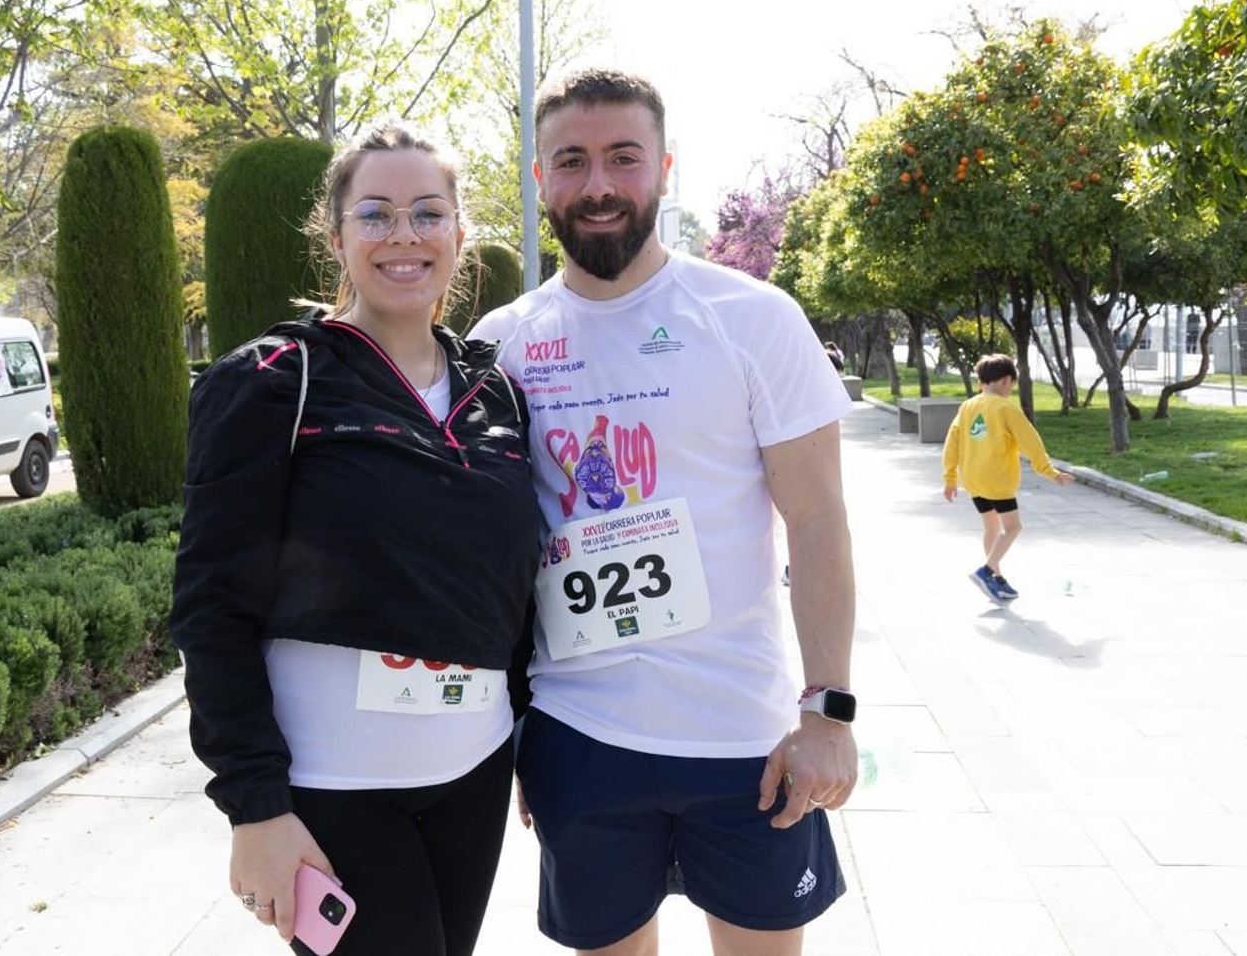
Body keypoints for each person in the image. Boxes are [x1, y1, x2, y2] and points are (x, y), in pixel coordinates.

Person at [472, 68, 858, 956]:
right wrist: (518, 729)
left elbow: (820, 522)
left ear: (664, 169)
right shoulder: (500, 344)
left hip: (745, 738)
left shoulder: (751, 319)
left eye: (623, 157)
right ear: (540, 179)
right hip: (580, 735)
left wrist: (827, 711)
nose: (599, 183)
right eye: (571, 160)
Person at [170, 124, 542, 956]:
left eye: (428, 213)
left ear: (459, 232)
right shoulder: (273, 379)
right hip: (333, 787)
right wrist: (255, 807)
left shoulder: (498, 394)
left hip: (471, 772)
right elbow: (211, 607)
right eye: (375, 214)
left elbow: (513, 590)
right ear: (334, 235)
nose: (403, 235)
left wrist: (530, 740)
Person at [941, 353, 1075, 603]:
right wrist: (1050, 472)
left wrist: (950, 478)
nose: (1010, 391)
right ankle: (987, 570)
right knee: (1013, 527)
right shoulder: (1006, 408)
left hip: (973, 480)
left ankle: (996, 579)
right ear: (1005, 381)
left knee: (991, 526)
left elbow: (952, 441)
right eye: (1011, 386)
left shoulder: (968, 406)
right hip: (998, 480)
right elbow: (1030, 441)